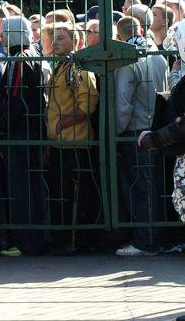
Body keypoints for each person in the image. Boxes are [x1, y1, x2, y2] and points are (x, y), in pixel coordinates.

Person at [0, 17, 48, 255]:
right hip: (32, 130)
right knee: (32, 183)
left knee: (20, 186)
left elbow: (14, 100)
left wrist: (1, 126)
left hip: (18, 133)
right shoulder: (32, 55)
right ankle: (35, 238)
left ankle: (24, 240)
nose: (2, 38)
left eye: (5, 33)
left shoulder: (19, 60)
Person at [114, 16, 168, 256]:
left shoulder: (129, 59)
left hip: (135, 131)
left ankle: (144, 241)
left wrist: (115, 132)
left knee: (139, 187)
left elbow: (122, 104)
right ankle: (156, 237)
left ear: (119, 36)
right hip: (158, 128)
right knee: (153, 185)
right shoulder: (157, 55)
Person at [46, 23, 101, 253]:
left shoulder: (78, 68)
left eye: (61, 38)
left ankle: (77, 242)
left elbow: (88, 103)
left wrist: (62, 123)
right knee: (62, 195)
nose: (55, 41)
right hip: (60, 144)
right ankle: (65, 240)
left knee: (78, 197)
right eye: (54, 38)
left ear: (75, 42)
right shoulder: (60, 66)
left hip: (76, 144)